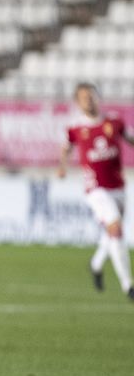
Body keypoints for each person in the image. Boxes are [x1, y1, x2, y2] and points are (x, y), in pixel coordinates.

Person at [58, 82, 134, 300]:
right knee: (116, 228)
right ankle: (128, 285)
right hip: (96, 189)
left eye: (90, 96)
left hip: (118, 186)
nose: (88, 100)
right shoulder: (75, 127)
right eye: (83, 98)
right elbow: (65, 147)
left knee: (112, 234)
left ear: (97, 97)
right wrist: (62, 167)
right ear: (78, 103)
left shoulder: (114, 122)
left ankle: (96, 264)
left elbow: (130, 138)